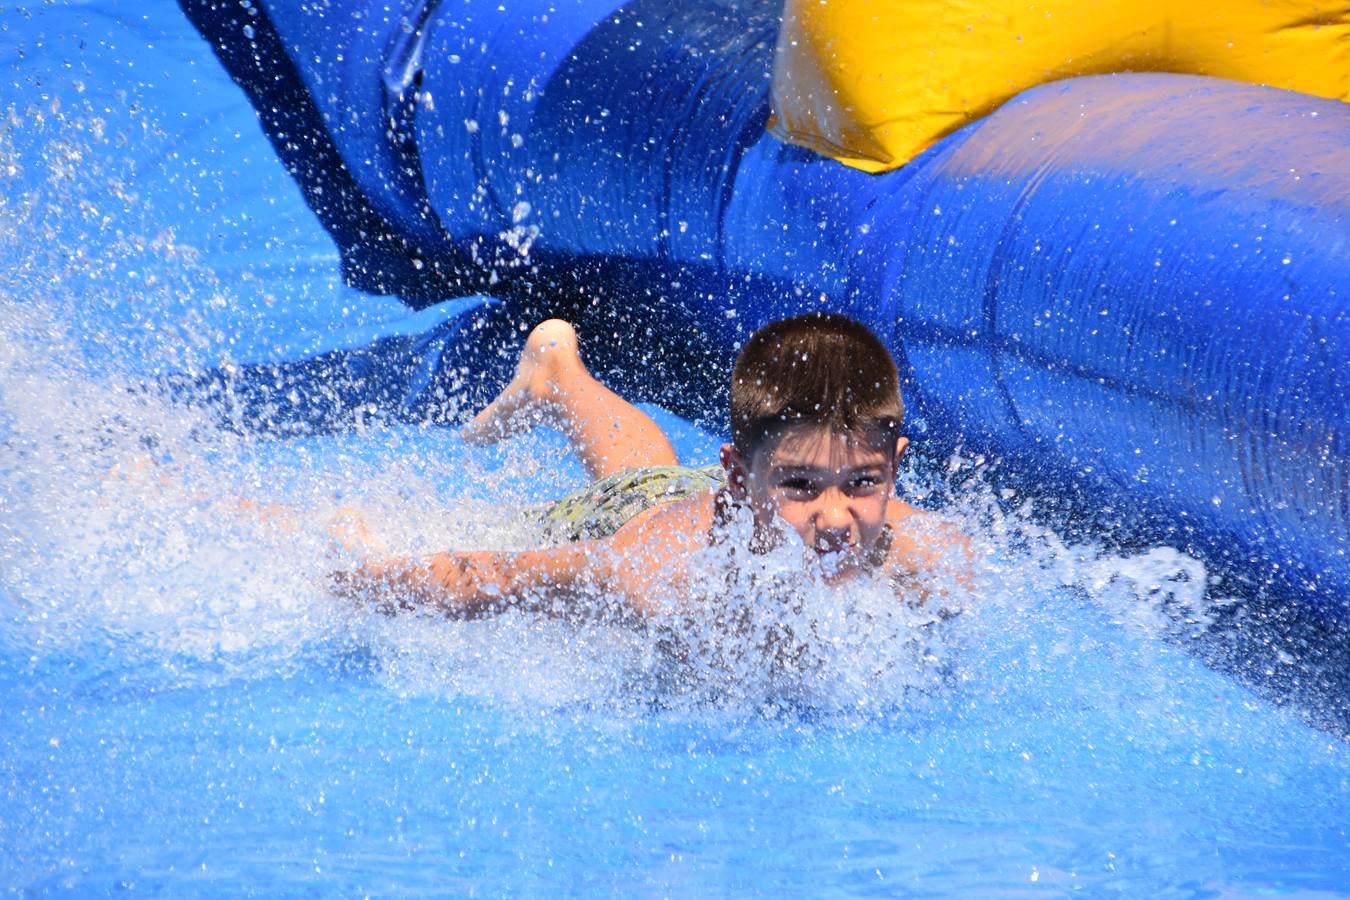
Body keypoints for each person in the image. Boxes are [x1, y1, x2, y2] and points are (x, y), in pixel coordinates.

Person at [334, 313, 972, 620]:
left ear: (895, 466)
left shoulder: (930, 561)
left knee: (651, 476)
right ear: (739, 477)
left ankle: (559, 373)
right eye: (804, 487)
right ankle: (559, 375)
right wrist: (356, 581)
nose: (836, 519)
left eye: (862, 483)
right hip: (641, 518)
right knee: (636, 489)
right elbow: (483, 577)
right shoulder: (657, 570)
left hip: (718, 496)